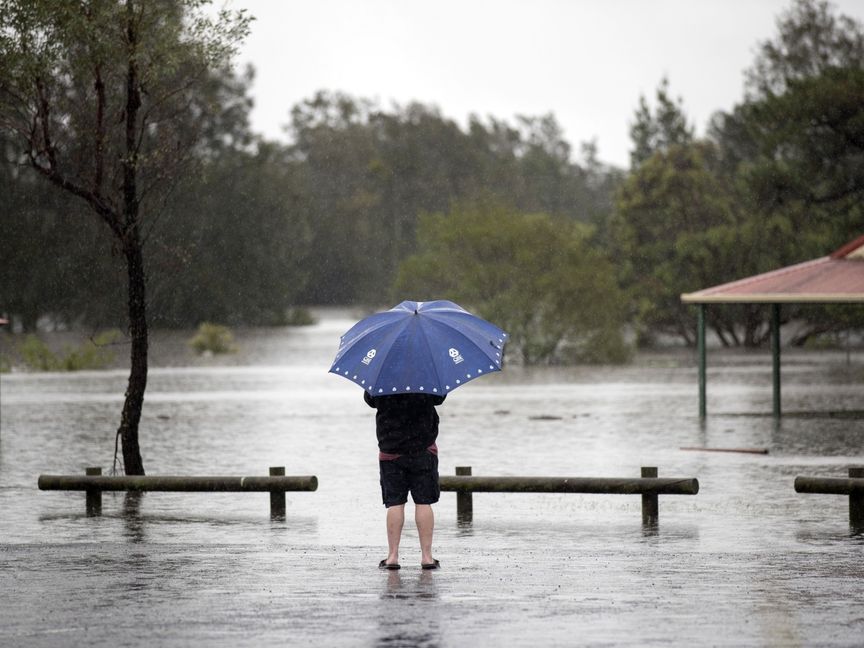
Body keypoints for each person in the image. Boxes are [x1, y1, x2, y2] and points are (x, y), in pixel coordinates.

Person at [364, 390, 446, 570]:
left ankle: (392, 556)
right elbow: (439, 398)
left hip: (390, 449)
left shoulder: (382, 375)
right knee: (424, 502)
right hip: (423, 449)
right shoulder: (426, 373)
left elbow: (370, 400)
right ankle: (427, 557)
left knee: (395, 503)